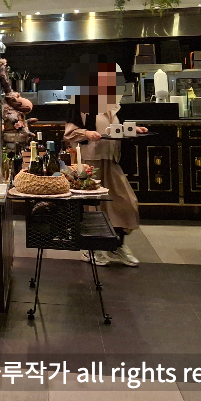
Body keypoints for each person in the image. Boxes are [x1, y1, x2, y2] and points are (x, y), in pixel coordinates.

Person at [63, 55, 147, 267]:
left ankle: (116, 246)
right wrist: (86, 133)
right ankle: (91, 249)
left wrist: (132, 130)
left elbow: (113, 129)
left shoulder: (113, 106)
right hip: (90, 163)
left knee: (125, 202)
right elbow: (70, 133)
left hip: (111, 160)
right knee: (93, 207)